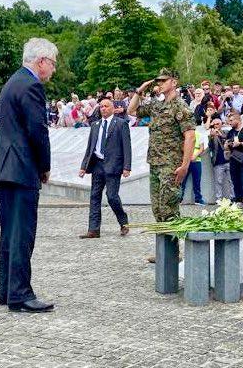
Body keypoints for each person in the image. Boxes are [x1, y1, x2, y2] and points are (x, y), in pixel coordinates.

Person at [0, 37, 58, 313]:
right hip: (21, 168)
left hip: (4, 167)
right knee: (22, 233)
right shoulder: (32, 86)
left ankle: (7, 289)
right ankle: (20, 294)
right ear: (41, 61)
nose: (53, 70)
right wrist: (44, 166)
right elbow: (37, 130)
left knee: (10, 231)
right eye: (52, 64)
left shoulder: (13, 81)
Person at [127, 68, 195, 263]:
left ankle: (174, 253)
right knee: (158, 209)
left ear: (174, 82)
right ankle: (163, 253)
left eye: (164, 80)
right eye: (158, 81)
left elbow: (190, 136)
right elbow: (132, 111)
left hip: (171, 165)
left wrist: (185, 165)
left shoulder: (180, 106)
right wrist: (140, 91)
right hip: (156, 163)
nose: (160, 83)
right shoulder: (157, 105)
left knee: (170, 209)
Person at [78, 98, 132, 238]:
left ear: (113, 108)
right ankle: (94, 229)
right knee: (94, 196)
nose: (103, 109)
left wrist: (127, 166)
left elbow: (127, 146)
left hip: (114, 165)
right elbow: (90, 147)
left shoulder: (121, 124)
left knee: (112, 196)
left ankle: (123, 221)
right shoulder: (95, 125)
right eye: (101, 106)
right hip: (97, 164)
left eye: (106, 106)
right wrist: (84, 166)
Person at [225, 112, 243, 206]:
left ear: (238, 120)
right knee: (234, 178)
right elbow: (226, 145)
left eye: (231, 120)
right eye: (228, 121)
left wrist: (240, 143)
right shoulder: (231, 131)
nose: (229, 123)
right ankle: (238, 197)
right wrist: (227, 145)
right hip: (234, 157)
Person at [209, 118, 234, 201]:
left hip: (228, 160)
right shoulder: (212, 135)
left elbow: (230, 142)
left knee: (231, 180)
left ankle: (232, 198)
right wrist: (212, 137)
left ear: (221, 124)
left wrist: (221, 135)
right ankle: (218, 199)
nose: (216, 125)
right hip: (218, 161)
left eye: (218, 123)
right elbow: (210, 147)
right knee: (218, 181)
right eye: (215, 124)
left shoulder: (226, 132)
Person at [180, 129, 206, 205]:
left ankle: (198, 199)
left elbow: (202, 148)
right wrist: (187, 156)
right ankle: (179, 199)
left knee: (197, 181)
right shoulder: (184, 135)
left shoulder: (199, 135)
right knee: (182, 181)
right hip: (185, 161)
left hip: (196, 161)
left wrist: (195, 155)